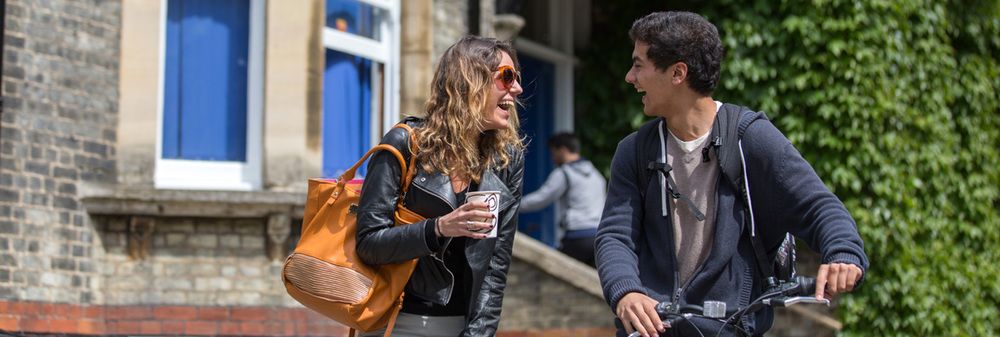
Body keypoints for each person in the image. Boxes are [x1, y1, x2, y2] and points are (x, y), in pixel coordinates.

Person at [594, 12, 869, 337]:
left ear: (677, 73)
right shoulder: (635, 151)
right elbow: (614, 235)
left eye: (639, 65)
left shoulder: (751, 139)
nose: (630, 77)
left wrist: (844, 254)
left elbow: (820, 207)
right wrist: (626, 291)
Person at [354, 35, 525, 337]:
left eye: (516, 78)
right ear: (470, 81)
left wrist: (478, 334)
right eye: (507, 77)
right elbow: (368, 243)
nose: (517, 89)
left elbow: (495, 267)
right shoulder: (405, 143)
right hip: (395, 322)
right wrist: (438, 228)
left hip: (460, 327)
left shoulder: (506, 160)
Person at [520, 132, 607, 267]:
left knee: (556, 275)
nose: (553, 157)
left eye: (553, 153)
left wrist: (514, 204)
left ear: (562, 150)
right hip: (599, 236)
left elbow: (542, 198)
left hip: (576, 237)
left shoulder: (564, 173)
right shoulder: (597, 174)